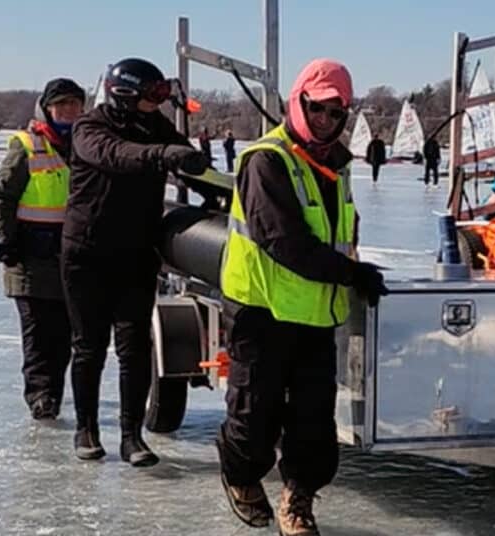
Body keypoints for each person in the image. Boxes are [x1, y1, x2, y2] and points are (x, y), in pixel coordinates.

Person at [216, 58, 388, 535]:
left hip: (315, 313)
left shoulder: (337, 163)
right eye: (319, 110)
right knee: (255, 421)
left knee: (313, 426)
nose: (327, 122)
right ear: (299, 102)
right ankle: (239, 472)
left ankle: (298, 500)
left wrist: (351, 274)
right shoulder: (266, 160)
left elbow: (337, 233)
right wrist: (350, 272)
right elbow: (282, 241)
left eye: (337, 114)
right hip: (262, 310)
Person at [63, 58, 211, 466]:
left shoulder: (155, 126)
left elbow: (181, 158)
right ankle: (86, 429)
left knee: (133, 347)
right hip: (86, 254)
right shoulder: (89, 128)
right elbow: (117, 155)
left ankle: (132, 437)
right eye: (153, 96)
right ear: (126, 94)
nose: (159, 104)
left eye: (163, 96)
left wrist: (212, 185)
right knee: (89, 346)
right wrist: (165, 154)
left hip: (136, 252)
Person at [0, 78, 85, 421]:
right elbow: (2, 196)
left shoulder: (87, 145)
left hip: (72, 258)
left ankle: (52, 392)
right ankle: (42, 397)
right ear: (47, 108)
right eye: (61, 105)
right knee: (39, 334)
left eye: (74, 105)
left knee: (63, 337)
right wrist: (7, 240)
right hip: (30, 259)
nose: (68, 112)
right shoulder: (28, 145)